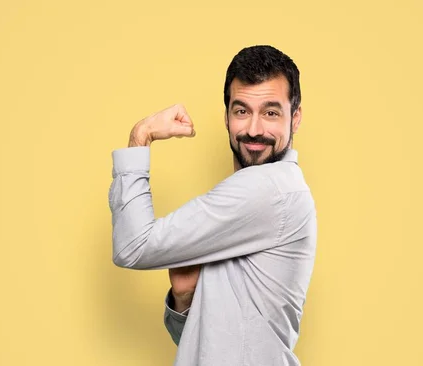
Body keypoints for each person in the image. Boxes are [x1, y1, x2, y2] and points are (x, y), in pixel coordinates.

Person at [108, 45, 317, 365]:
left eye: (271, 112)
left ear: (296, 117)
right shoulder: (271, 196)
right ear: (227, 116)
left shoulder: (268, 188)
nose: (254, 129)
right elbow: (213, 347)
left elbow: (133, 246)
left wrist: (141, 135)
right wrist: (184, 299)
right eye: (242, 110)